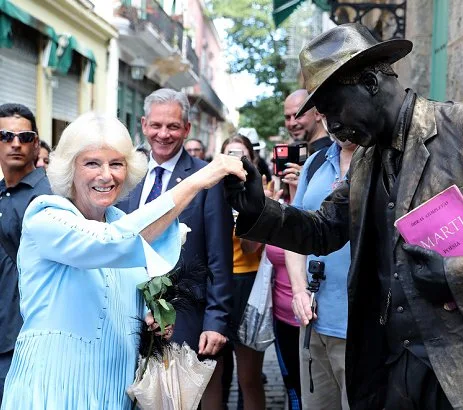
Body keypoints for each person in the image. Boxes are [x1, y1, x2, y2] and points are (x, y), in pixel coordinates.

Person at [224, 23, 463, 409]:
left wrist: (460, 272)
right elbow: (324, 229)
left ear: (370, 83)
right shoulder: (364, 159)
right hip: (394, 370)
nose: (332, 126)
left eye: (334, 108)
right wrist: (259, 211)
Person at [0, 112, 245, 409]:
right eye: (92, 163)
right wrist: (195, 182)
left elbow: (118, 292)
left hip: (115, 389)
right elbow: (110, 242)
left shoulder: (121, 220)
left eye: (116, 164)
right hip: (55, 386)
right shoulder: (46, 214)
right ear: (69, 169)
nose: (107, 175)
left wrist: (149, 320)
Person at [117, 88, 234, 407]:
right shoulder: (127, 174)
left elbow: (219, 258)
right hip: (129, 316)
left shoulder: (206, 179)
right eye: (156, 125)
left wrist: (216, 320)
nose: (163, 134)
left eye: (172, 126)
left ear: (186, 129)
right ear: (143, 124)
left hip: (186, 318)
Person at [286, 136, 357, 410]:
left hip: (361, 326)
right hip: (314, 321)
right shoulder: (316, 162)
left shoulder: (384, 158)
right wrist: (298, 290)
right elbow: (294, 232)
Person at [0, 103, 51, 402]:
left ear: (36, 144)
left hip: (27, 338)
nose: (15, 143)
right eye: (6, 136)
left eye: (25, 136)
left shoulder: (47, 197)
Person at [221, 135, 266, 410]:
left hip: (247, 282)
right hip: (216, 282)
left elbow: (251, 249)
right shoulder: (209, 190)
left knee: (248, 377)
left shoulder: (258, 192)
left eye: (241, 154)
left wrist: (246, 206)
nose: (235, 159)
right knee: (214, 371)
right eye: (229, 154)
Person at [284, 89, 333, 155]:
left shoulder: (333, 154)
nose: (292, 123)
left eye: (298, 116)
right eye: (287, 117)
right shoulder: (300, 154)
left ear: (317, 114)